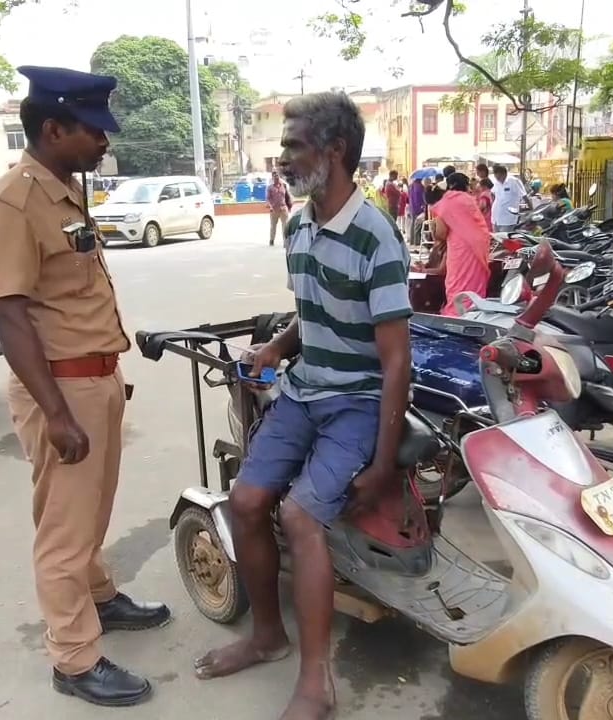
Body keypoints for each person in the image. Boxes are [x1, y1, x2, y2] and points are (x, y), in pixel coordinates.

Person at [193, 91, 413, 720]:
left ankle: (317, 681)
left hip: (358, 403)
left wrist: (382, 459)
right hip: (304, 388)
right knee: (245, 500)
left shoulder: (377, 238)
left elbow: (396, 359)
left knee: (299, 516)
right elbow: (312, 313)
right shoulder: (298, 225)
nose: (281, 157)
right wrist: (277, 345)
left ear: (334, 150)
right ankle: (267, 636)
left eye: (292, 145)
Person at [0, 65, 170, 708]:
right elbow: (9, 314)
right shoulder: (12, 202)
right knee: (64, 528)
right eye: (94, 130)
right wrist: (57, 413)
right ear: (53, 128)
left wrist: (106, 375)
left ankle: (101, 600)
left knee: (91, 510)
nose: (105, 141)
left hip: (92, 379)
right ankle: (73, 656)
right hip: (60, 390)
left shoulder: (61, 187)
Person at [417, 172, 491, 316]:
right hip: (478, 246)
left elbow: (440, 234)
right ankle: (475, 312)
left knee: (458, 283)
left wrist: (434, 226)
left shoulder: (446, 203)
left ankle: (457, 314)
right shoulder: (467, 199)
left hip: (461, 249)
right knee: (473, 282)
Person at [490, 165, 527, 232]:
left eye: (499, 177)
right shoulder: (496, 183)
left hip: (508, 218)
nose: (498, 179)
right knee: (497, 240)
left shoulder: (514, 181)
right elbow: (492, 193)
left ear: (505, 174)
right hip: (496, 218)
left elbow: (524, 195)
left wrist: (531, 210)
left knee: (505, 240)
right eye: (496, 177)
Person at [267, 169, 291, 246]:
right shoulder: (270, 188)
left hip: (283, 209)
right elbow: (268, 198)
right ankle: (271, 240)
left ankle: (285, 242)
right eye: (274, 176)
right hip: (274, 210)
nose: (276, 177)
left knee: (285, 226)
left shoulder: (284, 186)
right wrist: (270, 207)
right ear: (272, 178)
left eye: (277, 175)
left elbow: (287, 197)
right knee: (273, 226)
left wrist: (289, 206)